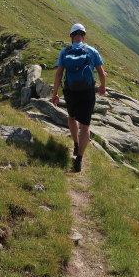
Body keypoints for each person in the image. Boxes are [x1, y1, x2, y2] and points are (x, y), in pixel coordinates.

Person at [51, 23, 106, 172]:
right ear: (84, 36)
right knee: (85, 126)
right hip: (87, 92)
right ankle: (79, 159)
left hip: (70, 91)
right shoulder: (92, 51)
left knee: (71, 116)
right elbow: (101, 73)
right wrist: (102, 86)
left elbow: (58, 74)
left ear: (71, 36)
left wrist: (55, 93)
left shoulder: (64, 51)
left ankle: (75, 144)